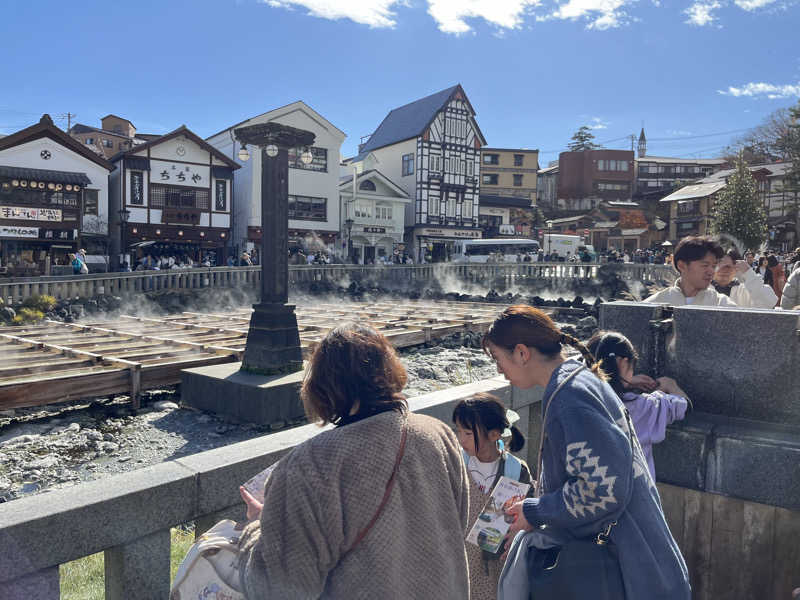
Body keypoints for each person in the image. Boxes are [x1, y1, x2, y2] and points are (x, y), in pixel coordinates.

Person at [236, 323, 470, 599]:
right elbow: (458, 522)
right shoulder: (437, 433)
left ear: (322, 385)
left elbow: (277, 588)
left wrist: (257, 527)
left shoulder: (310, 463)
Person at [484, 306, 691, 599]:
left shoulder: (570, 399)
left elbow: (602, 489)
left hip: (625, 569)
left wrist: (537, 510)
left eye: (498, 358)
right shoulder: (579, 379)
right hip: (643, 557)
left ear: (521, 352)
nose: (498, 369)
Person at [453, 393, 532, 600]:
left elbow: (527, 519)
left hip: (500, 564)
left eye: (468, 434)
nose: (461, 440)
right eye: (458, 431)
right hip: (461, 564)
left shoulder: (515, 470)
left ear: (494, 434)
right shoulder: (456, 465)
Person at [586, 331, 690, 480]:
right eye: (632, 365)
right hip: (635, 495)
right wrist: (669, 385)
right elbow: (684, 406)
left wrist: (624, 381)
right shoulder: (641, 408)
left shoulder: (580, 399)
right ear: (622, 363)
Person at [645, 235, 734, 306]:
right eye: (705, 265)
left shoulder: (722, 304)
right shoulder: (656, 304)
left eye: (714, 266)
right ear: (682, 266)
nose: (711, 271)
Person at [712, 248, 778, 308]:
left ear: (736, 268)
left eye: (728, 267)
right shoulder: (705, 288)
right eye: (720, 265)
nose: (724, 271)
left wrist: (749, 273)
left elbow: (769, 303)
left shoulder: (743, 290)